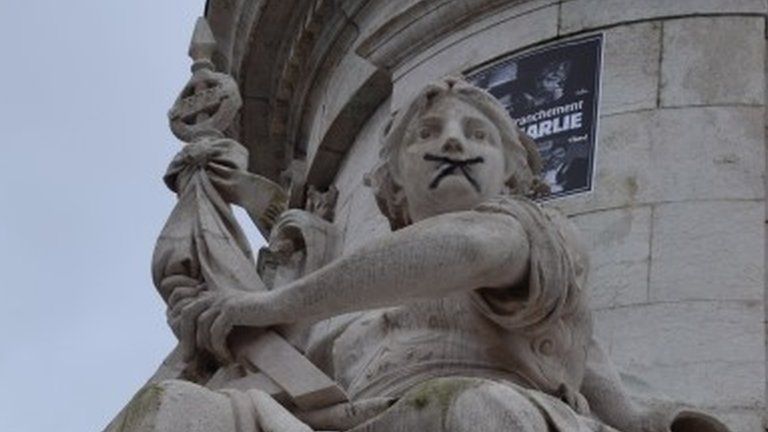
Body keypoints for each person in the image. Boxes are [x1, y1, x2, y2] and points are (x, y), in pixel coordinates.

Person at [147, 78, 728, 432]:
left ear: (513, 173)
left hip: (484, 408)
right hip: (348, 417)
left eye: (479, 135)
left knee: (473, 410)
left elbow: (467, 250)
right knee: (179, 409)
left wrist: (270, 302)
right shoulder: (343, 321)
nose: (452, 141)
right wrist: (215, 342)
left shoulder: (535, 234)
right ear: (393, 181)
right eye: (426, 133)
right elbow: (276, 382)